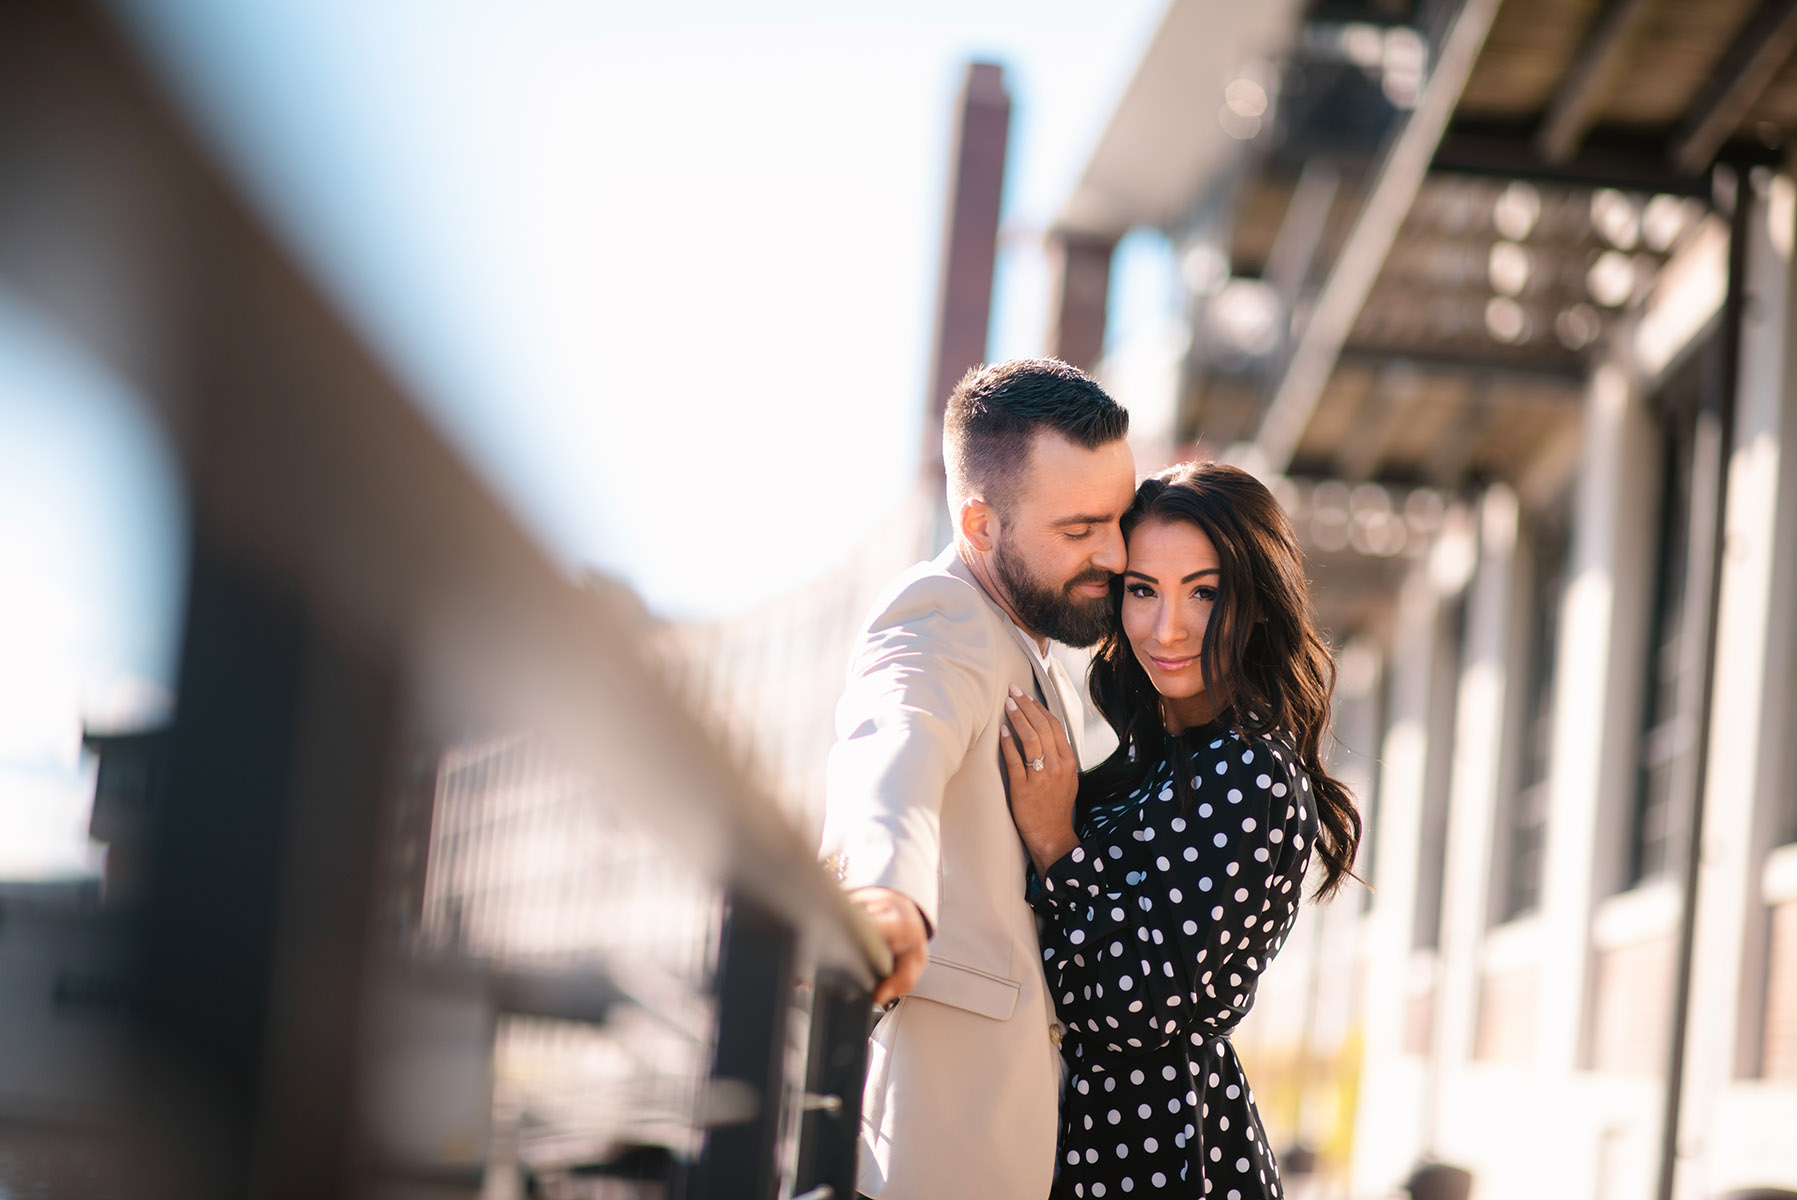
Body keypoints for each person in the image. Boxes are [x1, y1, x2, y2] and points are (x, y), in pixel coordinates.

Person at [1000, 461, 1361, 1200]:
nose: (1168, 628)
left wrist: (1054, 845)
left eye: (1205, 592)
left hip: (1154, 1153)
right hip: (1104, 1135)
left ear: (1257, 603)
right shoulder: (1158, 754)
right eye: (1142, 590)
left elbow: (1136, 1005)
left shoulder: (1248, 770)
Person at [819, 358, 1135, 1199]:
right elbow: (894, 739)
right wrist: (884, 889)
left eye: (1119, 519)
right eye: (1077, 531)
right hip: (934, 1139)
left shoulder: (1031, 647)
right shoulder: (940, 616)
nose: (1114, 553)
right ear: (980, 523)